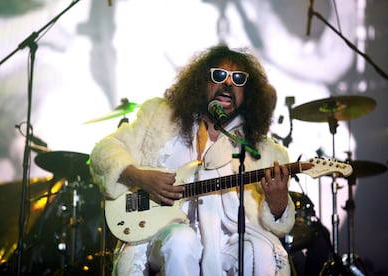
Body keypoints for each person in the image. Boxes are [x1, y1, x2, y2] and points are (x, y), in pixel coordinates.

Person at [89, 45, 296, 275]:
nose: (228, 84)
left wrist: (277, 205)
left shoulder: (262, 152)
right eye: (219, 75)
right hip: (159, 234)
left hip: (227, 243)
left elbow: (273, 221)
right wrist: (141, 177)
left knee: (257, 253)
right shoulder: (159, 118)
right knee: (180, 239)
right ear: (201, 83)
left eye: (238, 79)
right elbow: (104, 151)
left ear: (247, 93)